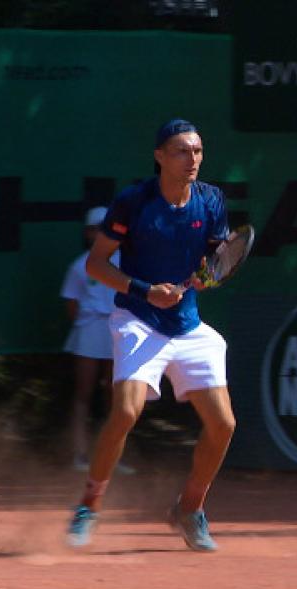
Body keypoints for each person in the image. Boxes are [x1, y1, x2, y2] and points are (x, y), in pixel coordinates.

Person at [65, 118, 236, 552]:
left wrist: (206, 278)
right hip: (137, 320)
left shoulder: (211, 200)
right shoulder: (133, 202)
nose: (192, 159)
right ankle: (89, 505)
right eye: (181, 151)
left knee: (224, 424)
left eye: (197, 151)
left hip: (188, 325)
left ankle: (190, 509)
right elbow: (96, 264)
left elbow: (214, 263)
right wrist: (145, 291)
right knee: (125, 412)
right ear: (160, 156)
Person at [59, 207, 135, 475]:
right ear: (89, 233)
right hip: (89, 332)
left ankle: (114, 457)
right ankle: (79, 454)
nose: (102, 233)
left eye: (107, 227)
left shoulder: (129, 264)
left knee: (116, 397)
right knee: (83, 394)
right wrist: (91, 327)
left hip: (119, 332)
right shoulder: (78, 267)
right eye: (96, 228)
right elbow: (71, 305)